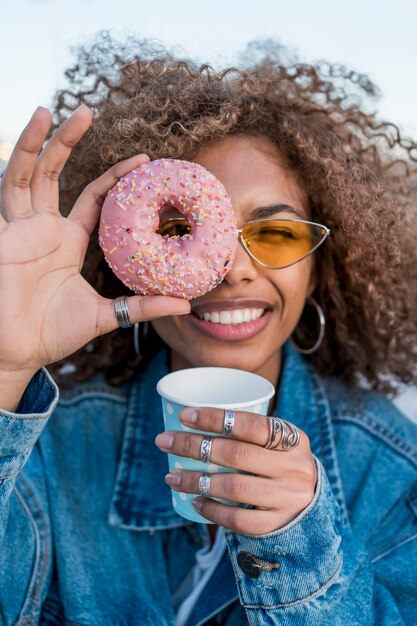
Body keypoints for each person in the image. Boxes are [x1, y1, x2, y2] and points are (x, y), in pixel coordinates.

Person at [1, 33, 417, 626]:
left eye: (277, 234)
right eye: (180, 230)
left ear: (324, 267)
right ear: (119, 259)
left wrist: (299, 550)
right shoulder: (49, 446)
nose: (232, 270)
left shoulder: (393, 473)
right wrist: (3, 372)